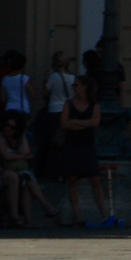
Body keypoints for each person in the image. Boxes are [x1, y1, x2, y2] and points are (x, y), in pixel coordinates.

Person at [60, 73, 115, 228]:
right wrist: (85, 123)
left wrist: (76, 122)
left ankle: (105, 215)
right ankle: (76, 216)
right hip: (72, 145)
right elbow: (64, 124)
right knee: (72, 179)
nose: (74, 88)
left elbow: (95, 123)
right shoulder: (69, 104)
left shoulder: (93, 105)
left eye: (76, 85)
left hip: (87, 146)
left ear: (84, 87)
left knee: (95, 179)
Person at [0, 110, 55, 226]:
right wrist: (22, 156)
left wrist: (22, 135)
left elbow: (26, 151)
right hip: (3, 169)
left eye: (13, 127)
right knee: (24, 176)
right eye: (7, 126)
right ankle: (45, 205)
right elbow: (6, 156)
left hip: (20, 171)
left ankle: (28, 220)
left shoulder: (18, 137)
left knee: (26, 181)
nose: (9, 129)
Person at [39, 50, 78, 178]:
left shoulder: (53, 77)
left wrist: (45, 80)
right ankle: (64, 171)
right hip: (67, 111)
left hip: (54, 111)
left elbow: (44, 93)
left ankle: (52, 172)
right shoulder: (72, 78)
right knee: (65, 142)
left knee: (53, 142)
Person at [0, 51, 34, 118]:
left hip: (10, 108)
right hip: (22, 108)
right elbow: (33, 94)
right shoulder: (24, 78)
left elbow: (3, 98)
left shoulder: (5, 79)